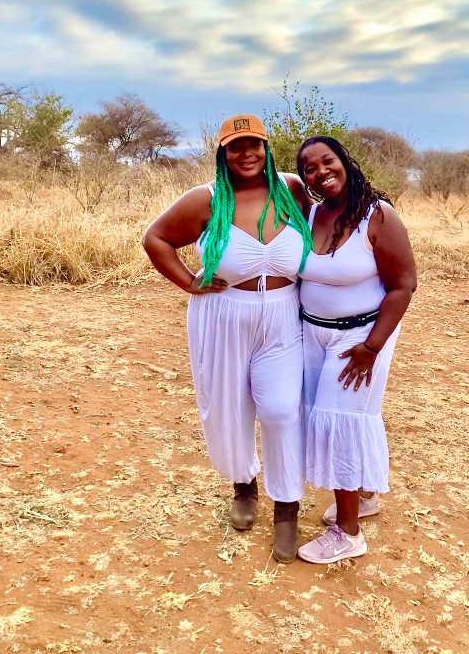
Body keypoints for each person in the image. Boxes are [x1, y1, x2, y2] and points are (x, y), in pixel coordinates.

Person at [142, 115, 312, 563]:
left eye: (254, 144)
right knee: (228, 407)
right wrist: (188, 282)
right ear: (222, 154)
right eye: (236, 147)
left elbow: (336, 216)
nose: (247, 154)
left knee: (280, 410)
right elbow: (155, 238)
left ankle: (287, 510)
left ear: (267, 147)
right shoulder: (206, 199)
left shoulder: (292, 191)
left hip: (282, 314)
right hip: (222, 313)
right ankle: (243, 487)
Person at [294, 136, 417, 564]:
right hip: (312, 334)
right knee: (321, 414)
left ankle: (348, 533)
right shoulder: (308, 214)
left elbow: (404, 285)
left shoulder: (377, 216)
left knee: (341, 421)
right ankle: (363, 495)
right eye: (310, 168)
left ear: (344, 161)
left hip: (360, 339)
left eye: (327, 161)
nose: (321, 172)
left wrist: (372, 346)